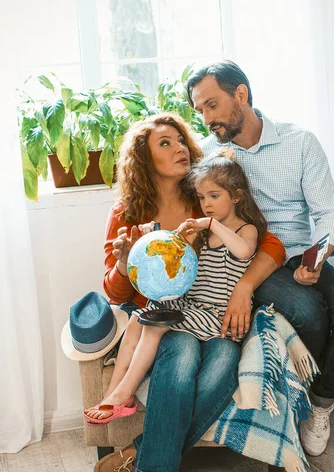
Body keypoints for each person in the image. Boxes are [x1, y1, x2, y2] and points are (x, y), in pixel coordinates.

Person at [94, 113, 285, 472]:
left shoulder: (204, 194)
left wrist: (243, 288)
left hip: (210, 313)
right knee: (180, 361)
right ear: (144, 157)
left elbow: (267, 242)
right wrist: (127, 262)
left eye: (181, 138)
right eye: (165, 143)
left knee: (221, 366)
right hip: (164, 315)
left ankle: (138, 455)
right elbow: (114, 292)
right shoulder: (128, 210)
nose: (180, 146)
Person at [186, 60, 334, 458]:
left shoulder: (300, 142)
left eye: (211, 105)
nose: (206, 118)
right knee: (308, 314)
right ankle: (331, 392)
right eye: (199, 110)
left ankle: (325, 397)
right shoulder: (211, 154)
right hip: (256, 259)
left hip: (302, 254)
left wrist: (322, 253)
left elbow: (327, 212)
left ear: (241, 94)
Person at [84, 152, 266, 427]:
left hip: (216, 315)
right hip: (192, 306)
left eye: (214, 196)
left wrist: (212, 224)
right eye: (202, 198)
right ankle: (113, 391)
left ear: (237, 196)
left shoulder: (245, 230)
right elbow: (177, 254)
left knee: (155, 325)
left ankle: (125, 392)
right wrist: (162, 238)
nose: (206, 205)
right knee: (138, 318)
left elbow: (244, 252)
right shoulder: (205, 233)